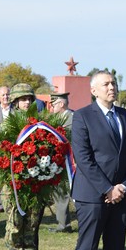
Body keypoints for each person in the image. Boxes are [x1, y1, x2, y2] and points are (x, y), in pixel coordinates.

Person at [71, 70, 126, 250]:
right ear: (94, 90)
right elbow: (83, 159)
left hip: (121, 197)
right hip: (92, 197)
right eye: (106, 84)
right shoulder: (82, 116)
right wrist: (107, 189)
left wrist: (124, 186)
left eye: (113, 83)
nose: (111, 87)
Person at [0, 83, 43, 250]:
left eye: (29, 99)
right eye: (23, 99)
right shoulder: (7, 124)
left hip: (34, 180)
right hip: (14, 182)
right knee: (15, 221)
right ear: (15, 102)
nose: (26, 102)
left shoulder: (38, 123)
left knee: (32, 222)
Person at [48, 92, 73, 233]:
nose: (51, 107)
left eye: (53, 104)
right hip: (59, 161)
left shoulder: (73, 118)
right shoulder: (55, 119)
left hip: (72, 162)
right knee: (60, 193)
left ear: (61, 104)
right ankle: (63, 224)